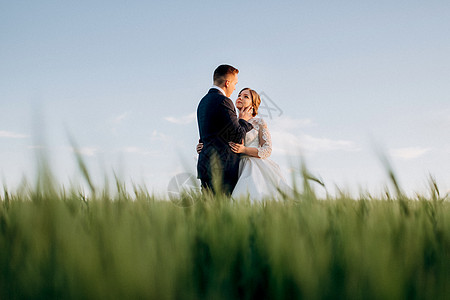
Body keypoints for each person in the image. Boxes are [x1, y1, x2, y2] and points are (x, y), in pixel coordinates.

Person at [197, 88, 292, 202]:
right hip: (234, 166)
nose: (240, 98)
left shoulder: (259, 122)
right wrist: (203, 146)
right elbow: (219, 140)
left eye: (246, 96)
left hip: (254, 168)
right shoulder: (233, 122)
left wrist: (244, 150)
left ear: (253, 104)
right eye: (239, 95)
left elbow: (267, 150)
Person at [196, 65, 254, 195]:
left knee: (208, 210)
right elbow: (237, 134)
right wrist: (244, 120)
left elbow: (209, 133)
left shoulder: (203, 102)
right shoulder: (224, 101)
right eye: (235, 84)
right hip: (222, 168)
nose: (234, 88)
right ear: (227, 83)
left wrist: (201, 146)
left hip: (205, 166)